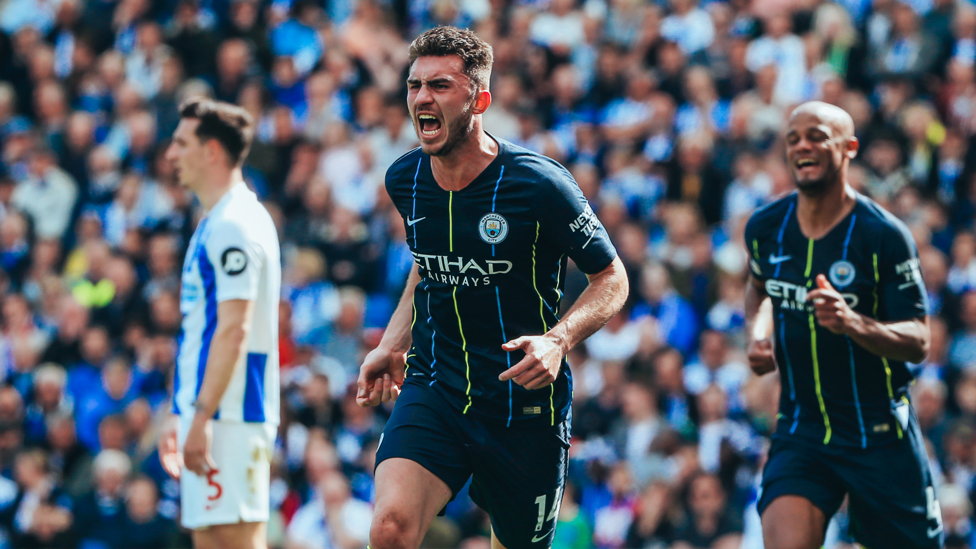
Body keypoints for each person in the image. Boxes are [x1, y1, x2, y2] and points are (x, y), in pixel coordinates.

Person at [357, 26, 630, 549]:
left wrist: (558, 340)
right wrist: (393, 343)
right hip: (436, 384)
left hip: (520, 403)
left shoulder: (539, 185)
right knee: (389, 528)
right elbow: (429, 265)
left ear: (478, 99)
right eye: (414, 86)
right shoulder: (405, 179)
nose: (421, 98)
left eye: (439, 85)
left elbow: (611, 277)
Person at [744, 101, 943, 549]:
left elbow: (919, 339)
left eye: (816, 136)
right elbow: (758, 288)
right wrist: (758, 336)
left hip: (878, 433)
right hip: (802, 429)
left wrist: (852, 323)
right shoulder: (765, 227)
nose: (802, 146)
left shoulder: (883, 236)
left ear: (849, 148)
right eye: (793, 138)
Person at [156, 97, 282, 549]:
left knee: (234, 541)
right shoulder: (216, 221)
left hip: (231, 412)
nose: (171, 154)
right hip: (214, 411)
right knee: (210, 539)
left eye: (181, 142)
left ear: (211, 151)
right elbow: (200, 330)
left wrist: (202, 416)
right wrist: (182, 412)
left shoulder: (234, 224)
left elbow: (234, 328)